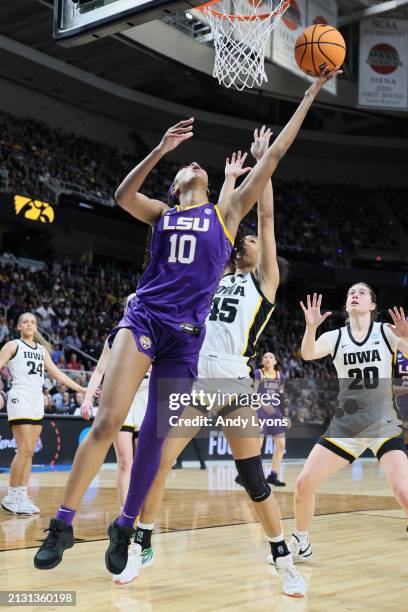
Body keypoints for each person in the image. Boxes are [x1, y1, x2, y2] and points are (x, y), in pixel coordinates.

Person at [34, 67, 341, 582]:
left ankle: (264, 552)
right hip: (168, 339)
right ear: (176, 185)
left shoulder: (240, 243)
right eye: (185, 170)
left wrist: (308, 94)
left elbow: (270, 176)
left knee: (210, 463)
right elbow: (126, 198)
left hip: (212, 363)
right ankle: (101, 532)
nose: (191, 166)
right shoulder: (175, 224)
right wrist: (167, 154)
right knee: (134, 440)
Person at [110, 127, 303, 595]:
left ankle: (282, 558)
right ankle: (141, 544)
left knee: (254, 479)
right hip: (194, 376)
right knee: (156, 462)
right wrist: (227, 180)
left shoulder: (265, 281)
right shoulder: (213, 265)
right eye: (246, 239)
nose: (249, 242)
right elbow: (218, 220)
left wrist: (261, 168)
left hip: (234, 384)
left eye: (254, 242)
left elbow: (266, 215)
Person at [289, 288, 408, 563]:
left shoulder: (386, 332)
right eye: (351, 293)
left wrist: (405, 336)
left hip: (382, 423)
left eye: (362, 293)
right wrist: (310, 328)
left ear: (372, 305)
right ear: (347, 304)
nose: (355, 295)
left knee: (403, 491)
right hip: (347, 426)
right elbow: (308, 353)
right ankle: (301, 540)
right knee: (304, 483)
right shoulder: (335, 336)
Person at [0, 312, 86, 515]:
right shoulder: (13, 345)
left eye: (32, 322)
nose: (29, 325)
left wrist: (81, 389)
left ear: (36, 328)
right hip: (20, 396)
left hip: (37, 399)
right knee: (23, 449)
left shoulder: (41, 350)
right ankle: (11, 496)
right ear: (19, 327)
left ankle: (22, 494)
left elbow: (57, 374)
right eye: (25, 322)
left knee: (30, 451)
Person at [254, 351, 287, 487]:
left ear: (275, 361)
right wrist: (263, 403)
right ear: (262, 361)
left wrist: (284, 414)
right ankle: (254, 476)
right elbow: (252, 393)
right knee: (258, 446)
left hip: (275, 414)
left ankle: (273, 475)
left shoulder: (280, 376)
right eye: (265, 357)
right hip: (260, 412)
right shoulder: (258, 374)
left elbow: (282, 396)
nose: (267, 359)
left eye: (270, 357)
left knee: (281, 445)